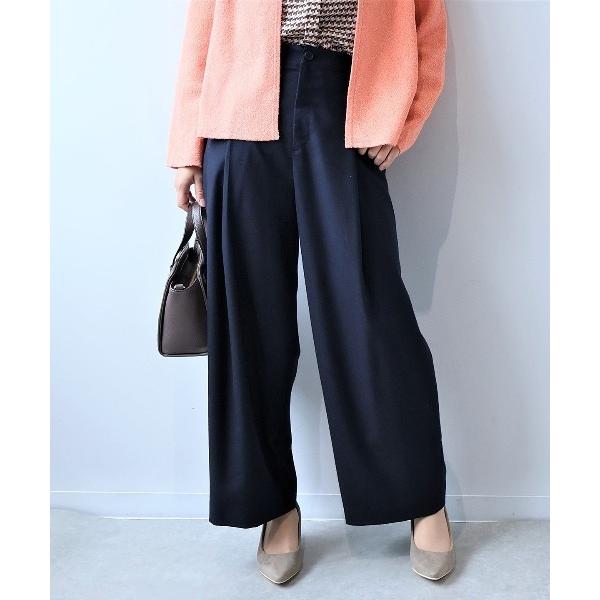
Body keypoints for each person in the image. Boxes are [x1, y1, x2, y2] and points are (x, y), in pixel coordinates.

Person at [167, 0, 454, 584]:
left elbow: (427, 22)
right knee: (250, 324)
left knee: (369, 314)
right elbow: (204, 23)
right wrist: (186, 149)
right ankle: (274, 505)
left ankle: (421, 496)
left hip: (347, 104)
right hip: (239, 110)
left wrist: (405, 117)